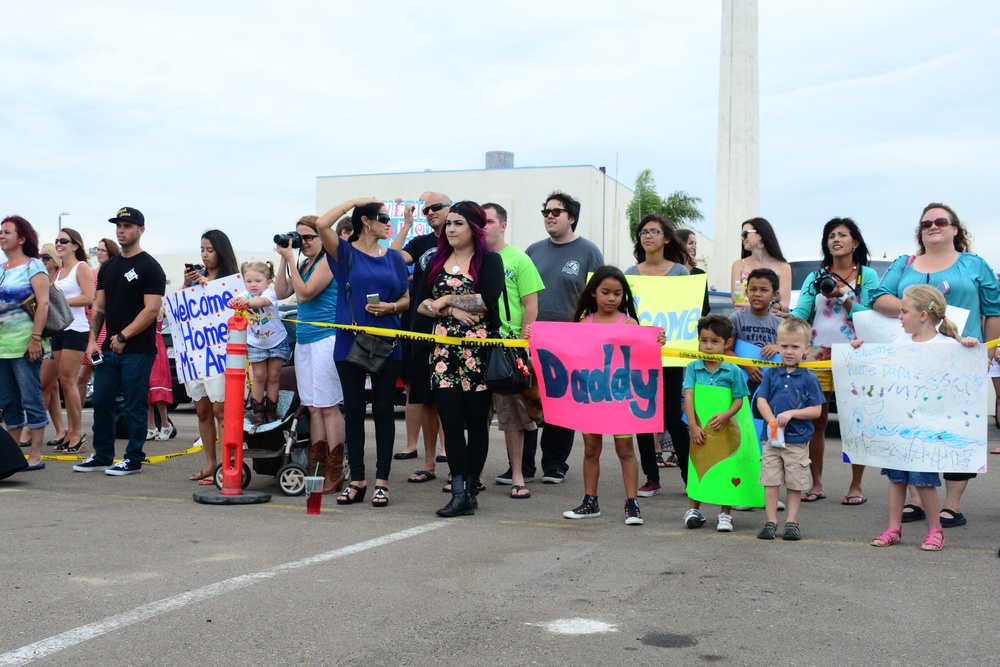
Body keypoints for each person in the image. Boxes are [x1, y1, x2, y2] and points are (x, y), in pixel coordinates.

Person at [870, 203, 1000, 528]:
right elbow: (879, 297)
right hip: (913, 363)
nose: (933, 226)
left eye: (941, 221)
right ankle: (916, 499)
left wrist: (989, 350)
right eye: (926, 222)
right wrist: (915, 306)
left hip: (962, 356)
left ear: (955, 228)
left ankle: (952, 505)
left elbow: (994, 309)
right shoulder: (905, 263)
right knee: (915, 428)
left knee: (957, 430)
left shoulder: (975, 264)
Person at [854, 285, 978, 552]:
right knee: (896, 479)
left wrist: (969, 346)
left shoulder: (948, 345)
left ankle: (936, 531)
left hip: (930, 429)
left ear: (922, 315)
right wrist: (859, 353)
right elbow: (883, 375)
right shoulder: (900, 344)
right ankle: (893, 528)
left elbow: (962, 378)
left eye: (904, 311)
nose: (899, 316)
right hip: (902, 427)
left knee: (924, 481)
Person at [317, 198, 409, 508]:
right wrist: (354, 202)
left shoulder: (395, 258)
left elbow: (406, 297)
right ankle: (357, 479)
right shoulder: (344, 252)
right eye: (382, 218)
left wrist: (392, 307)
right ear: (366, 221)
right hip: (350, 341)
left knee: (384, 410)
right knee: (354, 410)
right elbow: (321, 225)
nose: (388, 223)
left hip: (387, 341)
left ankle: (382, 482)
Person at [416, 201, 503, 517]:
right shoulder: (437, 260)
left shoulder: (489, 261)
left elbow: (487, 301)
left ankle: (471, 485)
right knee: (451, 423)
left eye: (458, 224)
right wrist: (449, 309)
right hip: (442, 355)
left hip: (476, 353)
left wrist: (448, 298)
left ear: (474, 228)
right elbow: (422, 305)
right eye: (448, 223)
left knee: (477, 424)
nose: (450, 229)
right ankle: (459, 491)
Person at [789, 218, 878, 505]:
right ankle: (815, 484)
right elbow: (802, 311)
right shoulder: (815, 276)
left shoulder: (868, 276)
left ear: (856, 242)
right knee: (817, 420)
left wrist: (843, 296)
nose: (835, 239)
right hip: (817, 353)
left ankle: (856, 485)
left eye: (842, 234)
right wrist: (789, 331)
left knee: (856, 419)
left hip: (855, 353)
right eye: (830, 235)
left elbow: (871, 316)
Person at [74, 207, 166, 475]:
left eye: (127, 225)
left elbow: (151, 310)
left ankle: (133, 458)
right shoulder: (109, 267)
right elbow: (99, 306)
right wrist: (92, 340)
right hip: (107, 350)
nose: (121, 230)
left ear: (141, 230)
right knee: (101, 401)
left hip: (138, 350)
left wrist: (125, 335)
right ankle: (102, 455)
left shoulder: (150, 267)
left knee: (135, 405)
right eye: (119, 226)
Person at [562, 266, 654, 525]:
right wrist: (533, 338)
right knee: (591, 450)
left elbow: (641, 355)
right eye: (605, 292)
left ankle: (632, 504)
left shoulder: (629, 323)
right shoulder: (582, 323)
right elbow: (567, 354)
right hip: (591, 397)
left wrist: (656, 340)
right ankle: (590, 501)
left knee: (625, 450)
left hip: (621, 398)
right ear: (593, 293)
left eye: (617, 293)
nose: (611, 298)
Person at [524, 191, 604, 484]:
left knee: (561, 402)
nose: (549, 216)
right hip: (534, 337)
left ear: (571, 218)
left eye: (556, 212)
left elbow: (598, 294)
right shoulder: (532, 251)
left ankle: (555, 463)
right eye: (545, 211)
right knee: (528, 400)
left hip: (570, 340)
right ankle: (523, 466)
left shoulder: (588, 251)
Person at [275, 215, 346, 494]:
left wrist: (291, 260)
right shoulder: (303, 262)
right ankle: (317, 467)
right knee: (314, 407)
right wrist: (286, 257)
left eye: (308, 237)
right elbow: (282, 292)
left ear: (321, 237)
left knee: (329, 407)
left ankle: (335, 468)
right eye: (299, 237)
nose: (302, 242)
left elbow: (304, 295)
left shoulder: (329, 260)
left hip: (326, 340)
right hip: (304, 342)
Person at [625, 214, 691, 499]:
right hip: (640, 355)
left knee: (674, 417)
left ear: (666, 238)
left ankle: (691, 477)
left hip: (672, 355)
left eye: (654, 231)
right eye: (643, 232)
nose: (647, 236)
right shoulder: (631, 273)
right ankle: (652, 478)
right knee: (643, 416)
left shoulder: (680, 273)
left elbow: (686, 315)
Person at [483, 202, 544, 498]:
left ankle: (518, 475)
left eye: (490, 221)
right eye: (480, 221)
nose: (484, 227)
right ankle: (475, 475)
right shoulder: (473, 259)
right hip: (477, 346)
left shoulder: (519, 259)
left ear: (503, 225)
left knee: (512, 418)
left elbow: (531, 305)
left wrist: (522, 344)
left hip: (509, 350)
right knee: (475, 416)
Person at [391, 193, 450, 481]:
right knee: (424, 396)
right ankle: (428, 463)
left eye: (435, 207)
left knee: (451, 396)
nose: (430, 212)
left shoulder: (460, 241)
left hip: (452, 331)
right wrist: (407, 224)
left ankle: (453, 458)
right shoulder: (422, 241)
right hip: (419, 327)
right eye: (426, 209)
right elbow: (393, 256)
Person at [754, 317, 825, 540]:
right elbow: (761, 400)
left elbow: (816, 410)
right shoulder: (771, 373)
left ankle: (792, 522)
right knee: (771, 480)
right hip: (771, 440)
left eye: (795, 347)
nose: (788, 351)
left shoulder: (809, 378)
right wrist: (771, 420)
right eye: (784, 346)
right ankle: (771, 520)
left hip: (797, 440)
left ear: (806, 349)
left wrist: (793, 413)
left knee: (795, 483)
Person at [181, 229, 240, 484]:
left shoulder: (232, 280)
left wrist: (210, 286)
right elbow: (177, 308)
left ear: (221, 251)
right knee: (202, 410)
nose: (205, 255)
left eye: (210, 250)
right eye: (202, 249)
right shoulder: (195, 279)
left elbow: (237, 308)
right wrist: (186, 284)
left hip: (220, 353)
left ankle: (229, 466)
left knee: (221, 410)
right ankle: (210, 463)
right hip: (196, 352)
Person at [682, 315, 750, 532]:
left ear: (727, 343)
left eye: (714, 341)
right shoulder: (693, 367)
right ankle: (694, 509)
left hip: (725, 431)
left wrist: (727, 414)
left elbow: (740, 398)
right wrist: (692, 426)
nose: (708, 346)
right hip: (700, 430)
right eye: (704, 340)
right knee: (697, 466)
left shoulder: (734, 370)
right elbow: (689, 397)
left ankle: (725, 513)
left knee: (727, 468)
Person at [0, 215, 51, 471]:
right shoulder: (1, 269)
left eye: (7, 232)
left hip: (25, 345)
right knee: (8, 401)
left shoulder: (34, 266)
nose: (1, 236)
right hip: (2, 347)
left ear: (21, 238)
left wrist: (35, 339)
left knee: (30, 398)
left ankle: (36, 455)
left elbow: (43, 304)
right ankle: (12, 457)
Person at [44, 228, 95, 453]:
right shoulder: (59, 272)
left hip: (76, 330)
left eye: (63, 241)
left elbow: (88, 297)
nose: (59, 244)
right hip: (59, 329)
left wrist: (59, 300)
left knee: (68, 381)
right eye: (57, 241)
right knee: (64, 383)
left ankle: (77, 433)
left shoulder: (80, 267)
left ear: (75, 245)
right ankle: (70, 432)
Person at [229, 260, 290, 426]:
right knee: (259, 376)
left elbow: (261, 303)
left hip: (276, 340)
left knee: (274, 376)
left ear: (268, 281)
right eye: (249, 281)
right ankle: (257, 411)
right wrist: (235, 302)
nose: (253, 285)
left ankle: (271, 410)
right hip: (256, 343)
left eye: (258, 281)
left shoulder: (269, 294)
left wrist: (246, 303)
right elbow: (240, 299)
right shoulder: (245, 295)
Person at [77, 238, 119, 403]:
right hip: (89, 325)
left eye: (104, 250)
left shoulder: (114, 275)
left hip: (106, 326)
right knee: (80, 377)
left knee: (104, 379)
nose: (100, 253)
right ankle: (76, 422)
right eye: (98, 250)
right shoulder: (91, 274)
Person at [37, 244, 66, 448]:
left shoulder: (59, 281)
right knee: (52, 387)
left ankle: (31, 430)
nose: (42, 260)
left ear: (55, 260)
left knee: (43, 385)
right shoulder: (42, 280)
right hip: (47, 337)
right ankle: (60, 430)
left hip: (60, 336)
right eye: (40, 256)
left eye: (46, 257)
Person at [730, 218, 792, 312]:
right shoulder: (738, 265)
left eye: (745, 234)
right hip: (743, 321)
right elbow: (736, 302)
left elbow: (784, 304)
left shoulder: (783, 267)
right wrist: (769, 305)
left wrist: (752, 306)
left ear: (760, 235)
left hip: (771, 323)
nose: (742, 238)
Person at [146, 304, 173, 440]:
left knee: (157, 387)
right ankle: (151, 426)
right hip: (144, 346)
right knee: (148, 389)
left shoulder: (157, 308)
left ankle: (165, 424)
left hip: (155, 347)